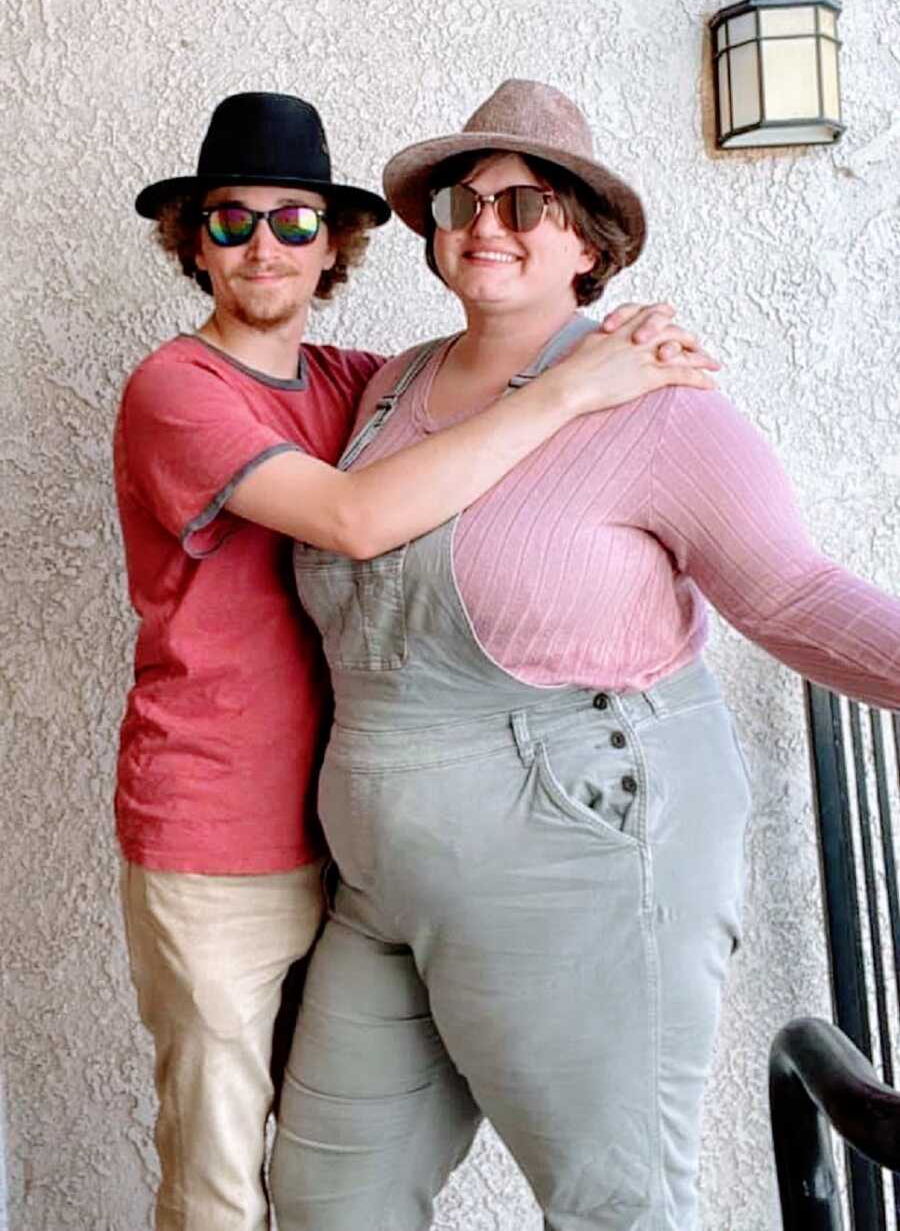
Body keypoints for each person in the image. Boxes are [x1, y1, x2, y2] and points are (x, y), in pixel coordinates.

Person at [270, 78, 900, 1231]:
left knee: (613, 1209)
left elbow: (796, 591)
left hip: (579, 854)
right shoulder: (390, 387)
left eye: (528, 204)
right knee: (326, 1199)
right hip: (381, 877)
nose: (484, 225)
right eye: (462, 200)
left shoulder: (661, 408)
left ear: (589, 243)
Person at [115, 89, 712, 1231]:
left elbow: (478, 399)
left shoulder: (359, 384)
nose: (265, 245)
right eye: (232, 220)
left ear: (335, 243)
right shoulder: (176, 390)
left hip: (346, 844)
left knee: (329, 1170)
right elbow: (352, 518)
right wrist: (571, 387)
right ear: (194, 240)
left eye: (295, 220)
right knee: (221, 1180)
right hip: (214, 839)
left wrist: (616, 346)